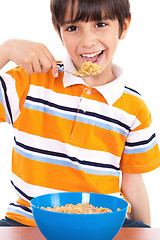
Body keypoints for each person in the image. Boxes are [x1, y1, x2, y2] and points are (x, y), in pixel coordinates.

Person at [0, 0, 159, 228]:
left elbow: (133, 186)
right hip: (28, 222)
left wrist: (146, 233)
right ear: (59, 32)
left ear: (124, 26)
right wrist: (5, 50)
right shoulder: (30, 81)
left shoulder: (133, 107)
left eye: (101, 24)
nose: (87, 41)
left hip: (103, 225)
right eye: (73, 28)